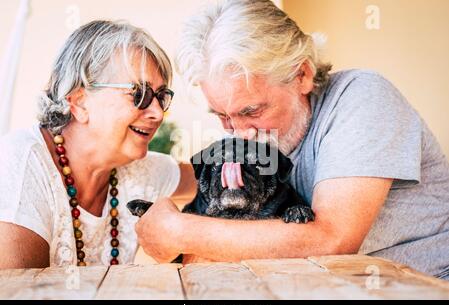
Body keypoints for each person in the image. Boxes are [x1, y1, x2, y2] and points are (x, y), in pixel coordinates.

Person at [135, 0, 449, 280]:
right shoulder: (260, 137)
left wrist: (181, 230)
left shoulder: (363, 96)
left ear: (302, 75)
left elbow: (332, 241)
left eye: (252, 110)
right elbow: (204, 183)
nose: (239, 132)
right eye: (222, 115)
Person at [0, 20, 181, 268]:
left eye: (161, 97)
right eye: (140, 94)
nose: (158, 113)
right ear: (79, 102)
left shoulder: (141, 171)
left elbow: (213, 173)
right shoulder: (18, 166)